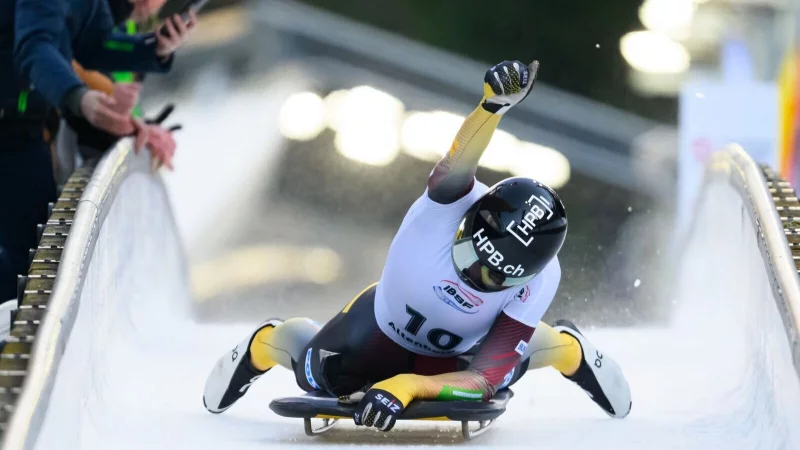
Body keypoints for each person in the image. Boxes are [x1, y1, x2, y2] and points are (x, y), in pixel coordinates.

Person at [203, 60, 632, 431]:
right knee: (318, 375)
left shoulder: (543, 278)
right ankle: (269, 339)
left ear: (527, 274)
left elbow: (483, 377)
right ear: (468, 222)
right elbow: (460, 157)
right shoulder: (448, 201)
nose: (479, 277)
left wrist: (406, 387)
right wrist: (491, 107)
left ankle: (566, 348)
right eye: (478, 261)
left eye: (497, 277)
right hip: (379, 324)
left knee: (498, 380)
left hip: (463, 351)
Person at [0, 0, 194, 303]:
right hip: (12, 124)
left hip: (22, 128)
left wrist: (154, 48)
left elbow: (95, 44)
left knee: (31, 256)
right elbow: (35, 47)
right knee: (24, 259)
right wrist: (79, 99)